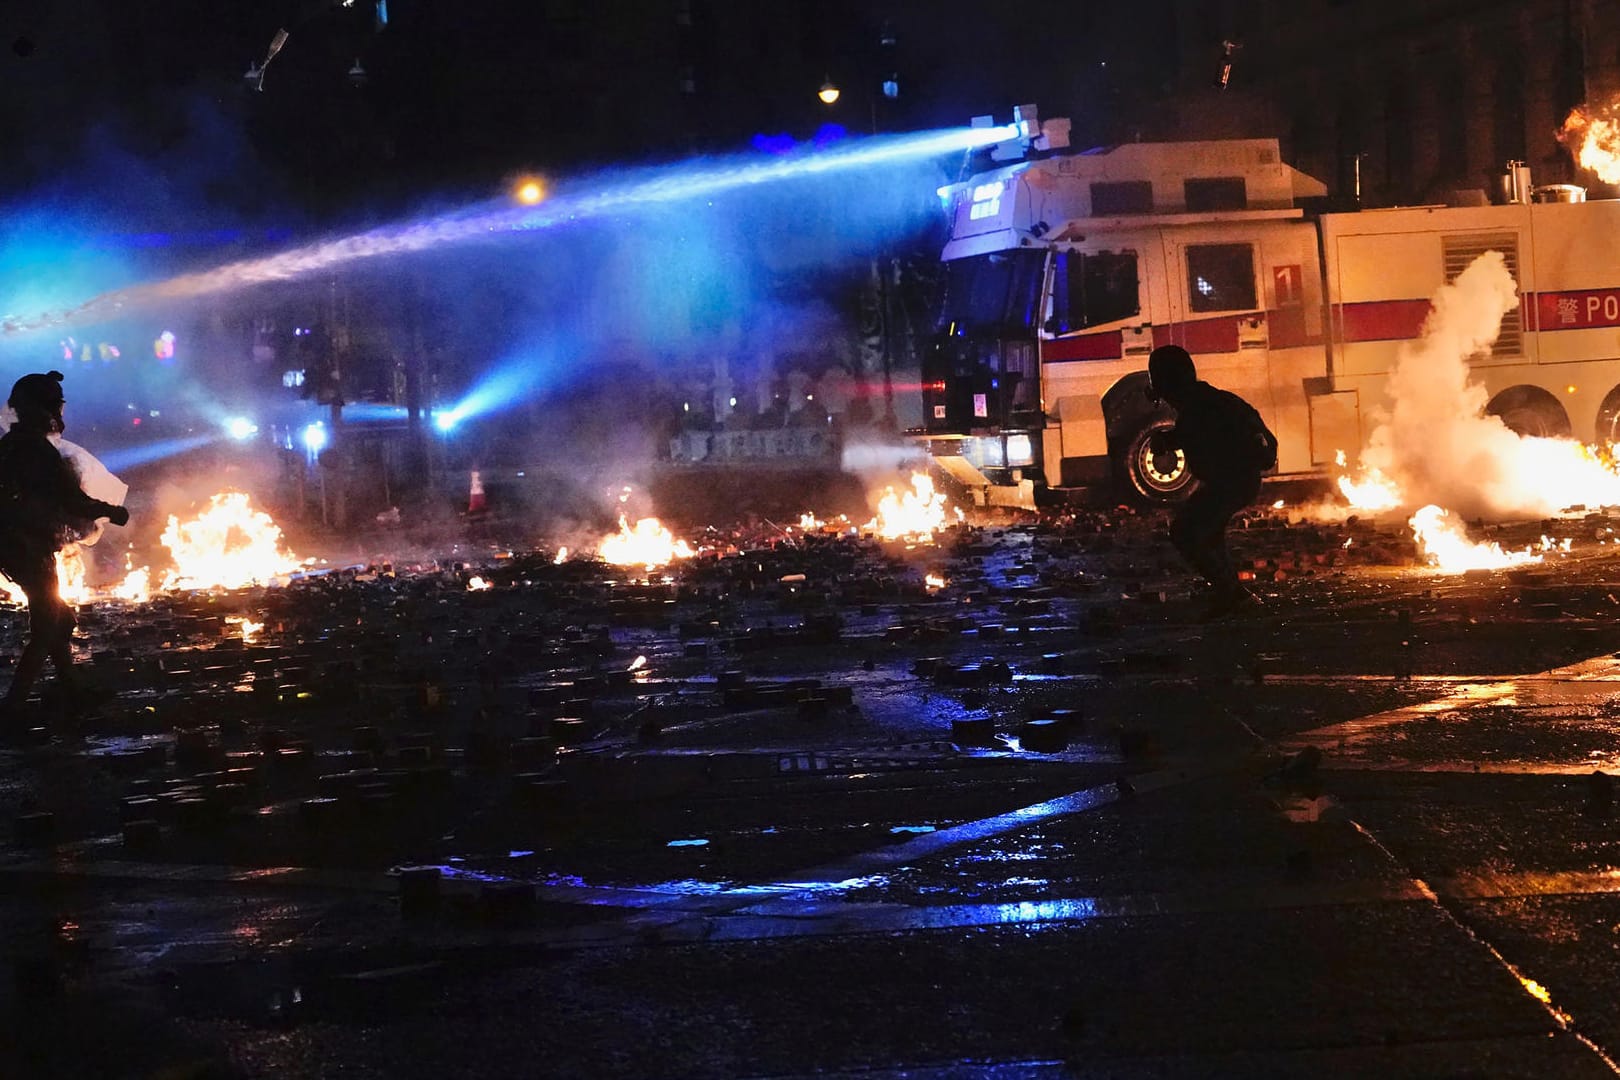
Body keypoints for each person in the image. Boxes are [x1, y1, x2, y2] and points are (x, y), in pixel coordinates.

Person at [0, 371, 129, 733]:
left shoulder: (13, 445)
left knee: (62, 619)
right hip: (26, 546)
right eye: (54, 403)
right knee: (46, 627)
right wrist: (113, 511)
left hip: (16, 545)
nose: (58, 409)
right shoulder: (35, 449)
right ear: (41, 408)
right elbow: (69, 498)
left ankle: (73, 692)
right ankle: (12, 708)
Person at [1147, 345, 1277, 616]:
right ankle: (1232, 592)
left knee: (1185, 532)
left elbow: (1193, 435)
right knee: (1210, 535)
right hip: (1238, 481)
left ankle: (1231, 594)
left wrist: (1166, 441)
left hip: (1231, 482)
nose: (1169, 402)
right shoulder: (1214, 399)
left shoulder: (1197, 407)